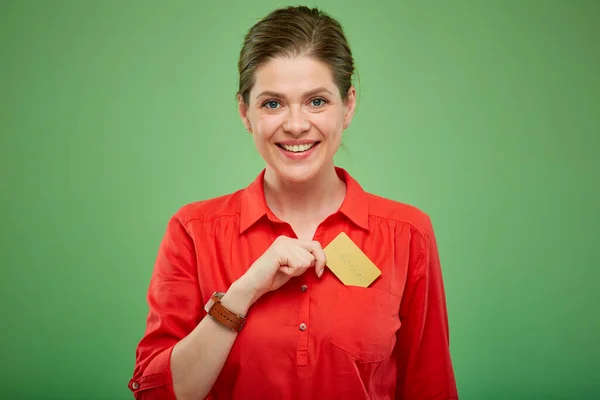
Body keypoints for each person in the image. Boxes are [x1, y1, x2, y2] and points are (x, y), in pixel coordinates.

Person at [128, 5, 458, 400]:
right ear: (244, 112)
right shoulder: (193, 230)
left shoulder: (408, 233)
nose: (297, 124)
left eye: (317, 101)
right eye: (272, 103)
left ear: (348, 105)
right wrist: (243, 293)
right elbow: (157, 395)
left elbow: (430, 387)